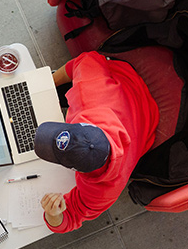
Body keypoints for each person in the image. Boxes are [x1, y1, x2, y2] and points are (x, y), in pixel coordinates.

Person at [36, 51, 159, 233]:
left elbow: (71, 217)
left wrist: (53, 214)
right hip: (129, 87)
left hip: (143, 121)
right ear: (83, 124)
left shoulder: (102, 191)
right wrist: (46, 85)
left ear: (77, 171)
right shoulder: (89, 93)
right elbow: (81, 61)